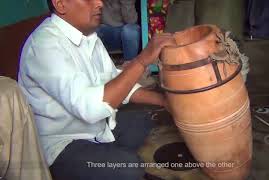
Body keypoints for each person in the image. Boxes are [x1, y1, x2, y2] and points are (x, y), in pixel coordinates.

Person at [18, 0, 175, 179]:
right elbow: (90, 108)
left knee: (145, 121)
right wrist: (141, 61)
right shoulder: (45, 45)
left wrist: (163, 101)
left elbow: (116, 82)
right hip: (62, 144)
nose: (99, 3)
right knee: (130, 168)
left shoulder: (90, 38)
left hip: (97, 128)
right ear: (61, 4)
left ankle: (105, 158)